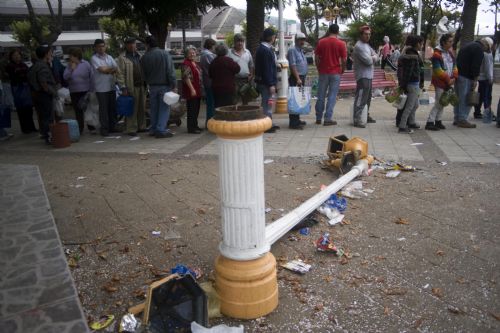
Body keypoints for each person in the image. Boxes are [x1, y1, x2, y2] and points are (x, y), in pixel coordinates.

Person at [140, 35, 176, 138]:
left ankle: (153, 128)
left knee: (154, 108)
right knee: (164, 108)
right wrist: (173, 84)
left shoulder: (144, 57)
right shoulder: (164, 54)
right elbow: (170, 71)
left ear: (147, 44)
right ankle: (161, 129)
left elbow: (143, 74)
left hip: (152, 86)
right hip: (164, 85)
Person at [314, 24, 347, 126]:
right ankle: (328, 118)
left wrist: (318, 68)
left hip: (323, 72)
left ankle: (318, 118)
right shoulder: (341, 43)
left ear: (329, 30)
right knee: (332, 96)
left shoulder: (321, 42)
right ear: (337, 32)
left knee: (321, 96)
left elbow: (316, 57)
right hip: (335, 72)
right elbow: (344, 59)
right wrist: (342, 69)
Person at [454, 38, 489, 128]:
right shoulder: (478, 49)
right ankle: (462, 119)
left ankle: (457, 118)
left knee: (458, 98)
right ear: (485, 44)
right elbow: (475, 66)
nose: (485, 51)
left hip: (458, 75)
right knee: (466, 99)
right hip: (467, 77)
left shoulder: (467, 45)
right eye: (487, 48)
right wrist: (475, 80)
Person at [425, 33, 458, 131]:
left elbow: (455, 66)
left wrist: (455, 77)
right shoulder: (437, 54)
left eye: (452, 41)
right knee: (439, 102)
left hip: (449, 81)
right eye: (450, 42)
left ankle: (438, 120)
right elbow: (437, 70)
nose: (451, 44)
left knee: (444, 101)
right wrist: (449, 80)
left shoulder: (450, 53)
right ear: (443, 42)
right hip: (440, 82)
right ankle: (430, 122)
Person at [116, 37, 147, 136]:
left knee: (142, 107)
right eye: (129, 44)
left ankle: (142, 127)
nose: (132, 45)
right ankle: (131, 129)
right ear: (126, 45)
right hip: (131, 86)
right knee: (132, 108)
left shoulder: (140, 56)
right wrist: (123, 87)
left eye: (133, 43)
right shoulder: (122, 57)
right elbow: (120, 74)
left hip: (142, 85)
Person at [27, 45, 57, 144]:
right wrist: (50, 91)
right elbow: (43, 82)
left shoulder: (35, 65)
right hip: (43, 95)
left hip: (36, 94)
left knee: (42, 116)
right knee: (47, 117)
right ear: (46, 54)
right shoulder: (42, 66)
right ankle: (49, 137)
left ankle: (46, 135)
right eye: (49, 53)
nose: (51, 54)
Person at [396, 35, 424, 134]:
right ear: (417, 44)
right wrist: (404, 85)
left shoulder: (414, 54)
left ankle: (411, 122)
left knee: (415, 104)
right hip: (412, 84)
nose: (422, 45)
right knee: (409, 106)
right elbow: (409, 72)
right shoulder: (412, 56)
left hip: (414, 83)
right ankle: (402, 126)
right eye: (421, 43)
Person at [352, 25, 378, 128]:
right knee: (361, 97)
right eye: (366, 34)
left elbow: (376, 55)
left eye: (369, 34)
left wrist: (373, 57)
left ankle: (365, 115)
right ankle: (357, 118)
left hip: (369, 76)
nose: (368, 36)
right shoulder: (359, 46)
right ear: (361, 35)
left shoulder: (367, 45)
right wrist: (373, 58)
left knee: (367, 98)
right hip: (362, 76)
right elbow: (368, 61)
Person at [63, 47, 94, 134]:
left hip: (86, 91)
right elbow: (65, 77)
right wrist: (71, 69)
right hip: (74, 91)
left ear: (76, 56)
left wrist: (91, 89)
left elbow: (91, 77)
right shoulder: (69, 66)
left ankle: (91, 127)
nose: (70, 58)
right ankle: (80, 128)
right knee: (78, 111)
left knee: (88, 110)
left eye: (71, 56)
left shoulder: (86, 64)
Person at [91, 39, 118, 136]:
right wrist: (109, 69)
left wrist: (107, 69)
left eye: (103, 46)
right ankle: (104, 129)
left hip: (111, 86)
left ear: (105, 46)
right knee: (103, 110)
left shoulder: (110, 57)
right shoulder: (94, 58)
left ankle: (113, 127)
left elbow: (116, 68)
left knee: (112, 108)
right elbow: (102, 70)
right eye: (99, 46)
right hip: (101, 88)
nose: (101, 48)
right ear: (95, 48)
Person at [6, 49, 37, 134]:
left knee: (29, 109)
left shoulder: (23, 65)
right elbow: (13, 77)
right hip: (17, 88)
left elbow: (28, 75)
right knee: (21, 109)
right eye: (15, 55)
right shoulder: (10, 66)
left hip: (26, 89)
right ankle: (25, 128)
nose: (17, 56)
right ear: (11, 57)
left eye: (18, 55)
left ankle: (32, 127)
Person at [255, 28, 279, 133]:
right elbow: (267, 69)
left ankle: (269, 122)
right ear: (270, 37)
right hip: (266, 83)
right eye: (274, 36)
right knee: (267, 103)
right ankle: (266, 125)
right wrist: (271, 84)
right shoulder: (265, 50)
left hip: (265, 82)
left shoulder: (264, 48)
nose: (274, 38)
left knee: (268, 103)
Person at [287, 31, 309, 129]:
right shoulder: (292, 50)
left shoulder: (300, 50)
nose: (302, 42)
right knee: (294, 100)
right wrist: (298, 78)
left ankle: (297, 119)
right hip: (296, 78)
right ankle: (293, 123)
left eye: (303, 40)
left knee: (299, 99)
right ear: (296, 40)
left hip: (301, 77)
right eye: (300, 40)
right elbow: (293, 65)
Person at [209, 44, 240, 108]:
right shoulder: (229, 60)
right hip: (228, 89)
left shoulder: (213, 62)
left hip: (216, 90)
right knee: (229, 108)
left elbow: (210, 75)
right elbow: (237, 69)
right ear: (226, 51)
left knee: (219, 108)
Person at [181, 46, 202, 134]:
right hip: (191, 90)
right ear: (186, 54)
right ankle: (191, 128)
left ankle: (195, 125)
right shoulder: (186, 63)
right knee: (192, 109)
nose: (192, 54)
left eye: (193, 52)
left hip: (197, 89)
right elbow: (186, 78)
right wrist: (192, 89)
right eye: (190, 53)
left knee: (196, 109)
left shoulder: (194, 63)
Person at [228, 33, 254, 105]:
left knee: (246, 101)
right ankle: (234, 115)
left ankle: (245, 115)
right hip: (234, 81)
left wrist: (251, 75)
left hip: (246, 81)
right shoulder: (229, 52)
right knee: (234, 101)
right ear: (234, 42)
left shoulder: (247, 52)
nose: (240, 43)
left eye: (242, 41)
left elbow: (251, 65)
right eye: (238, 41)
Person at [473, 37, 493, 120]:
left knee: (481, 96)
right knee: (487, 97)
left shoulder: (482, 53)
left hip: (481, 78)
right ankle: (487, 114)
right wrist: (490, 78)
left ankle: (477, 112)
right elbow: (488, 68)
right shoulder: (487, 54)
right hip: (486, 79)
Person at [199, 38, 216, 123]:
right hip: (210, 81)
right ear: (211, 45)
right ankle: (210, 122)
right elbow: (214, 67)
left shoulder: (203, 54)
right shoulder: (208, 55)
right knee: (211, 103)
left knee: (209, 102)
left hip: (206, 80)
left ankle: (208, 121)